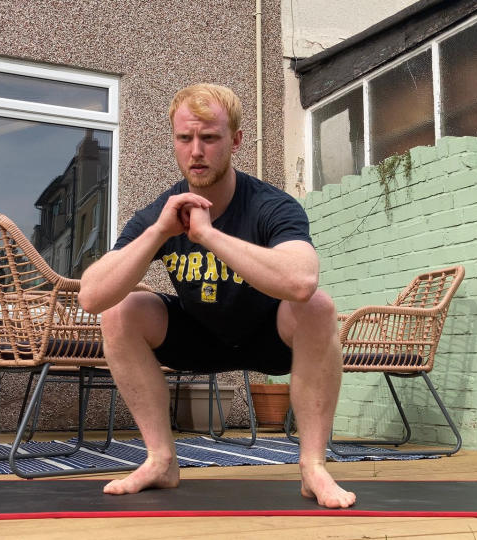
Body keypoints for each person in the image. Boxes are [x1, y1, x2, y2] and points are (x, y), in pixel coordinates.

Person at [78, 83, 355, 509]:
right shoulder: (162, 212)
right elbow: (91, 296)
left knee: (316, 306)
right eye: (185, 138)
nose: (196, 152)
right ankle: (160, 461)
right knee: (122, 311)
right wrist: (157, 234)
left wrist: (207, 235)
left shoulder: (270, 206)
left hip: (269, 337)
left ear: (235, 141)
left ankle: (313, 467)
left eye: (209, 138)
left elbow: (302, 280)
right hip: (198, 336)